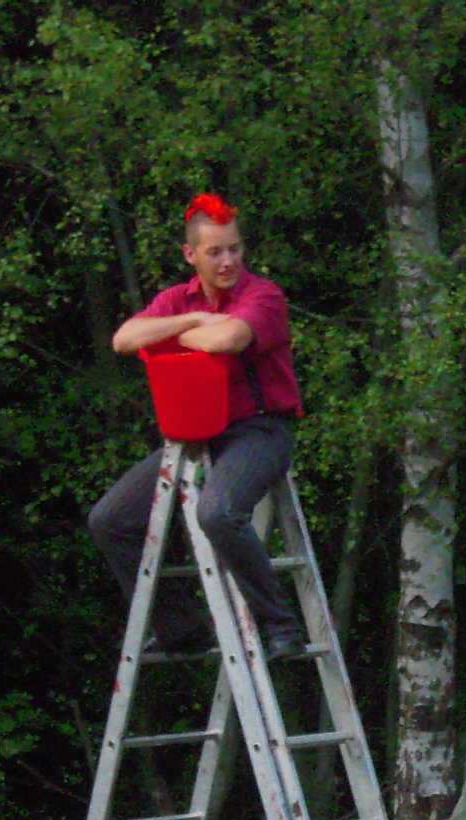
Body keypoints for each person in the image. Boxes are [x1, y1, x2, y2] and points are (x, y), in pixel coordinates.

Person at [87, 193, 306, 656]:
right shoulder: (178, 300)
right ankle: (181, 628)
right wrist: (193, 319)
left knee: (217, 512)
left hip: (260, 430)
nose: (228, 261)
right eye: (215, 252)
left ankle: (279, 625)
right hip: (198, 435)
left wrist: (172, 333)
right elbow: (125, 339)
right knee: (109, 521)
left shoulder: (262, 295)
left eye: (235, 249)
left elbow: (230, 338)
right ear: (191, 255)